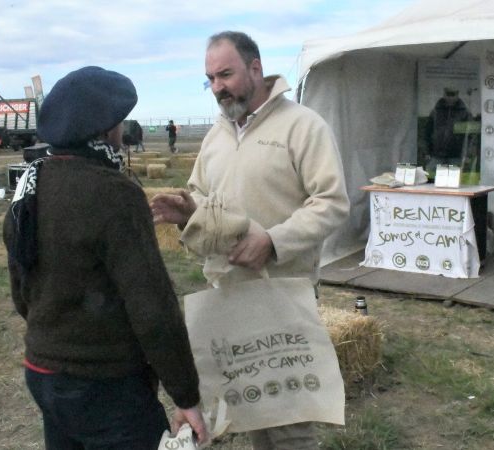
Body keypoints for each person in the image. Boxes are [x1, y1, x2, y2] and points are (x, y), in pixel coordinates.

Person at [150, 31, 349, 450]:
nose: (218, 87)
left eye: (226, 74)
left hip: (283, 293)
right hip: (225, 292)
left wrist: (273, 242)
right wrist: (189, 213)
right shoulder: (216, 136)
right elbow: (201, 195)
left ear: (256, 68)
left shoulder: (302, 126)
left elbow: (331, 202)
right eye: (210, 79)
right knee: (249, 408)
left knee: (290, 418)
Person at [2, 66, 207, 449]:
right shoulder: (115, 194)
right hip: (105, 386)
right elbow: (152, 307)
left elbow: (20, 289)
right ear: (107, 130)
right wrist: (186, 396)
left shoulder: (30, 185)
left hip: (43, 372)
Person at [426, 87, 471, 167]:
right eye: (448, 94)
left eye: (453, 94)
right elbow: (427, 132)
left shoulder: (465, 113)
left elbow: (469, 136)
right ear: (444, 94)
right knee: (430, 175)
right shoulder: (436, 111)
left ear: (457, 95)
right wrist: (427, 151)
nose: (450, 97)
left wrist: (467, 154)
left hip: (456, 154)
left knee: (455, 178)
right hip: (437, 153)